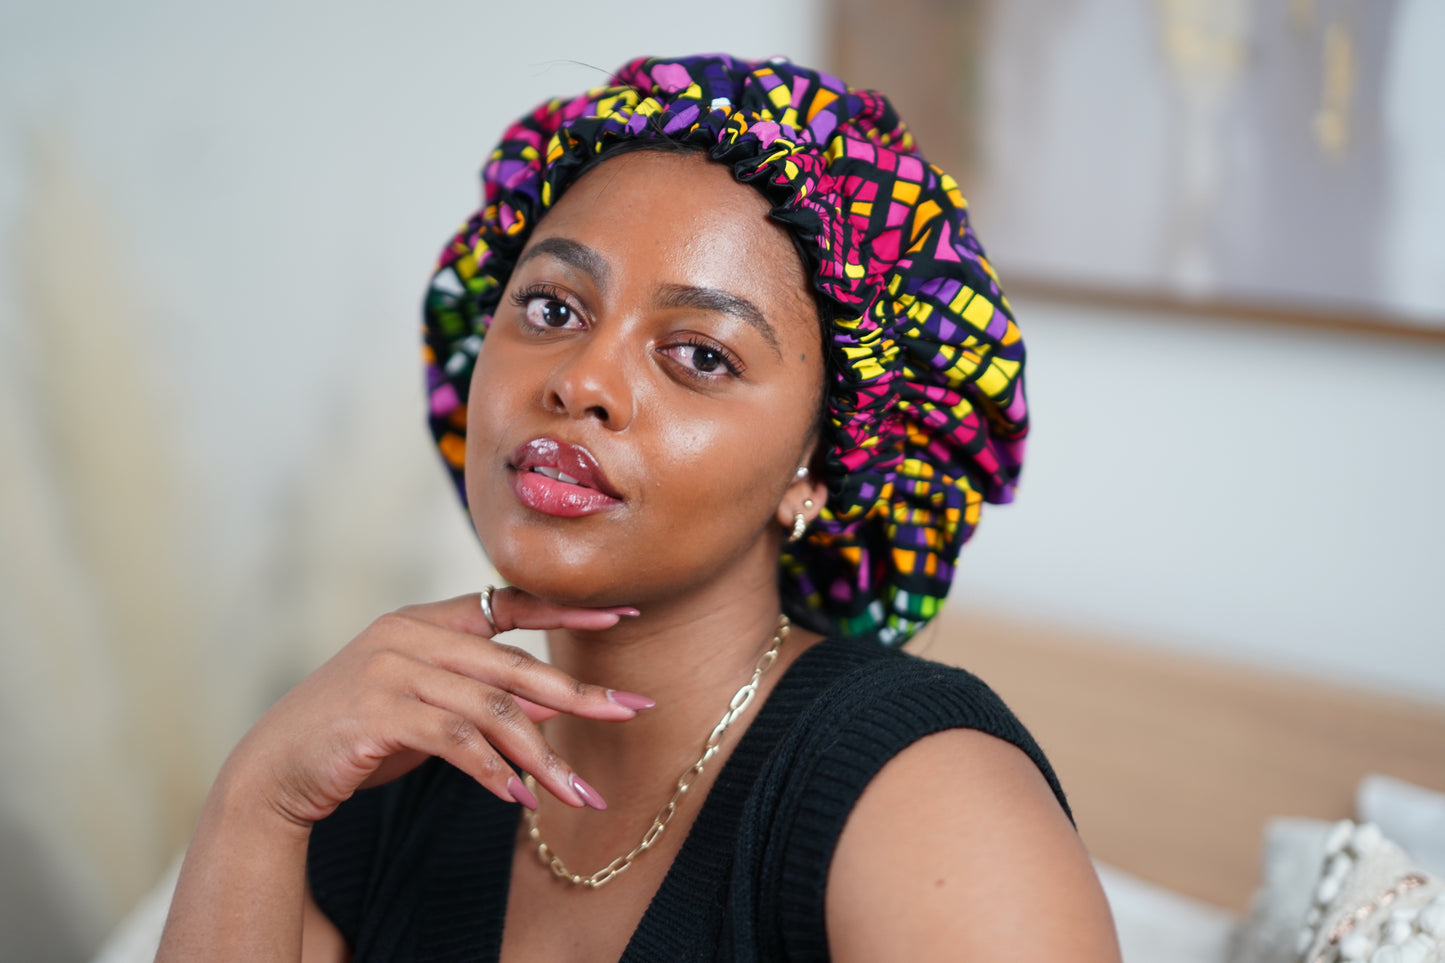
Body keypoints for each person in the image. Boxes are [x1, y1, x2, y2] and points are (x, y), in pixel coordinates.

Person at [156, 54, 1121, 961]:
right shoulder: (399, 782)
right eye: (552, 308)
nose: (581, 381)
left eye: (700, 353)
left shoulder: (922, 795)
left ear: (819, 466)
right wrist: (257, 799)